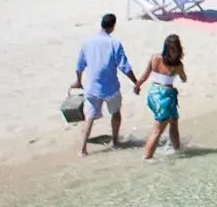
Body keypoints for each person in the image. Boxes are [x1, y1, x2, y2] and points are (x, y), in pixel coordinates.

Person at [72, 13, 140, 157]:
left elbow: (79, 66)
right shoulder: (114, 43)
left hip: (92, 88)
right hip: (110, 88)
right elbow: (124, 66)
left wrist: (78, 81)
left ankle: (82, 149)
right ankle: (115, 142)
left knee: (89, 117)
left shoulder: (87, 42)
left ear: (101, 24)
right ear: (112, 26)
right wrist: (136, 82)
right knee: (115, 113)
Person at [135, 34, 188, 160]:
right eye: (173, 49)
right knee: (157, 130)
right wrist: (181, 73)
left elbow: (144, 76)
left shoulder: (155, 58)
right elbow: (184, 79)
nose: (173, 52)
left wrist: (137, 86)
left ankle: (177, 150)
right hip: (165, 97)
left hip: (153, 93)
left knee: (174, 122)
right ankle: (146, 157)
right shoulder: (178, 65)